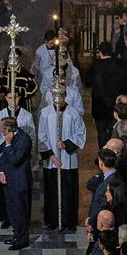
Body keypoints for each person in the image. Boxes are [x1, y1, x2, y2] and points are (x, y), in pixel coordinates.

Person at [38, 88, 86, 231]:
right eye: (55, 95)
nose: (57, 98)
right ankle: (52, 220)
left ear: (65, 96)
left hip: (68, 160)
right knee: (51, 191)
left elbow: (80, 134)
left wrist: (65, 144)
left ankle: (69, 221)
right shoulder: (45, 113)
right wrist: (52, 156)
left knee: (69, 191)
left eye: (60, 95)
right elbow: (41, 135)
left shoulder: (73, 113)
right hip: (52, 161)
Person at [0, 88, 36, 228]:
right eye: (9, 97)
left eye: (15, 97)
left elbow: (31, 136)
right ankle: (6, 217)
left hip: (20, 160)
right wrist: (7, 146)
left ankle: (22, 219)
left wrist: (20, 150)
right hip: (4, 159)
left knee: (21, 193)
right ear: (5, 98)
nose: (12, 101)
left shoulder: (27, 116)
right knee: (5, 192)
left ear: (20, 98)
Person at [87, 41, 127, 146]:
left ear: (100, 52)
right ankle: (115, 150)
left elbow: (87, 82)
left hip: (100, 105)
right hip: (116, 104)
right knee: (116, 129)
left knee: (101, 131)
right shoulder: (120, 64)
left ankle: (104, 153)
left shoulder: (95, 65)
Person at [0, 117, 33, 250]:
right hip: (9, 180)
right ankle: (17, 235)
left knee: (20, 211)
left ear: (8, 129)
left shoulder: (24, 139)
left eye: (2, 128)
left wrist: (8, 144)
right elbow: (3, 156)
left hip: (19, 181)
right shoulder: (10, 138)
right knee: (13, 210)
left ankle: (22, 239)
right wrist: (1, 171)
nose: (1, 131)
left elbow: (14, 159)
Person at [87, 149, 121, 222]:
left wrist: (92, 222)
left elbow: (104, 205)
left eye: (99, 160)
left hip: (102, 222)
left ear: (102, 163)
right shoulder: (104, 176)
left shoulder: (114, 182)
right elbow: (89, 185)